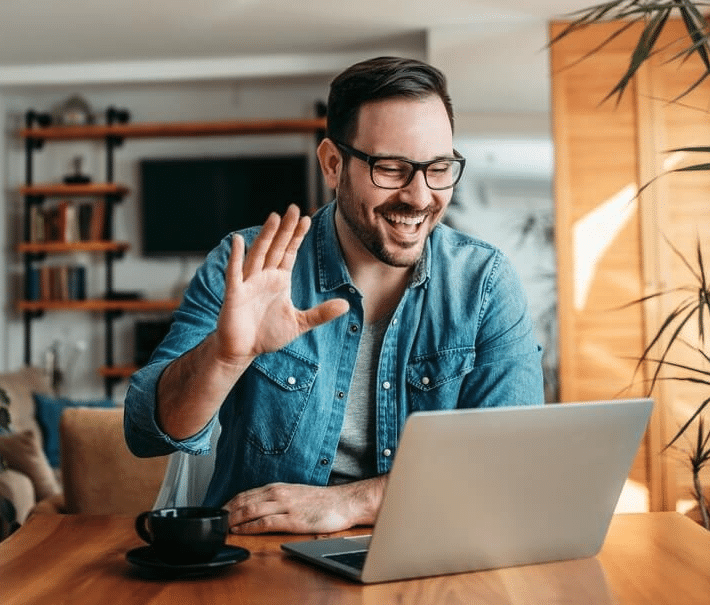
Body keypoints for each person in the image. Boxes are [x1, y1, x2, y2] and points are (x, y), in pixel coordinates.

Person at [124, 56, 544, 535]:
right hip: (262, 559)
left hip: (427, 549)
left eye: (439, 168)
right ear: (332, 163)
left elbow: (509, 460)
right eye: (391, 168)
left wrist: (353, 503)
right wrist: (223, 357)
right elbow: (144, 433)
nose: (420, 196)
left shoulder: (485, 283)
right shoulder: (245, 265)